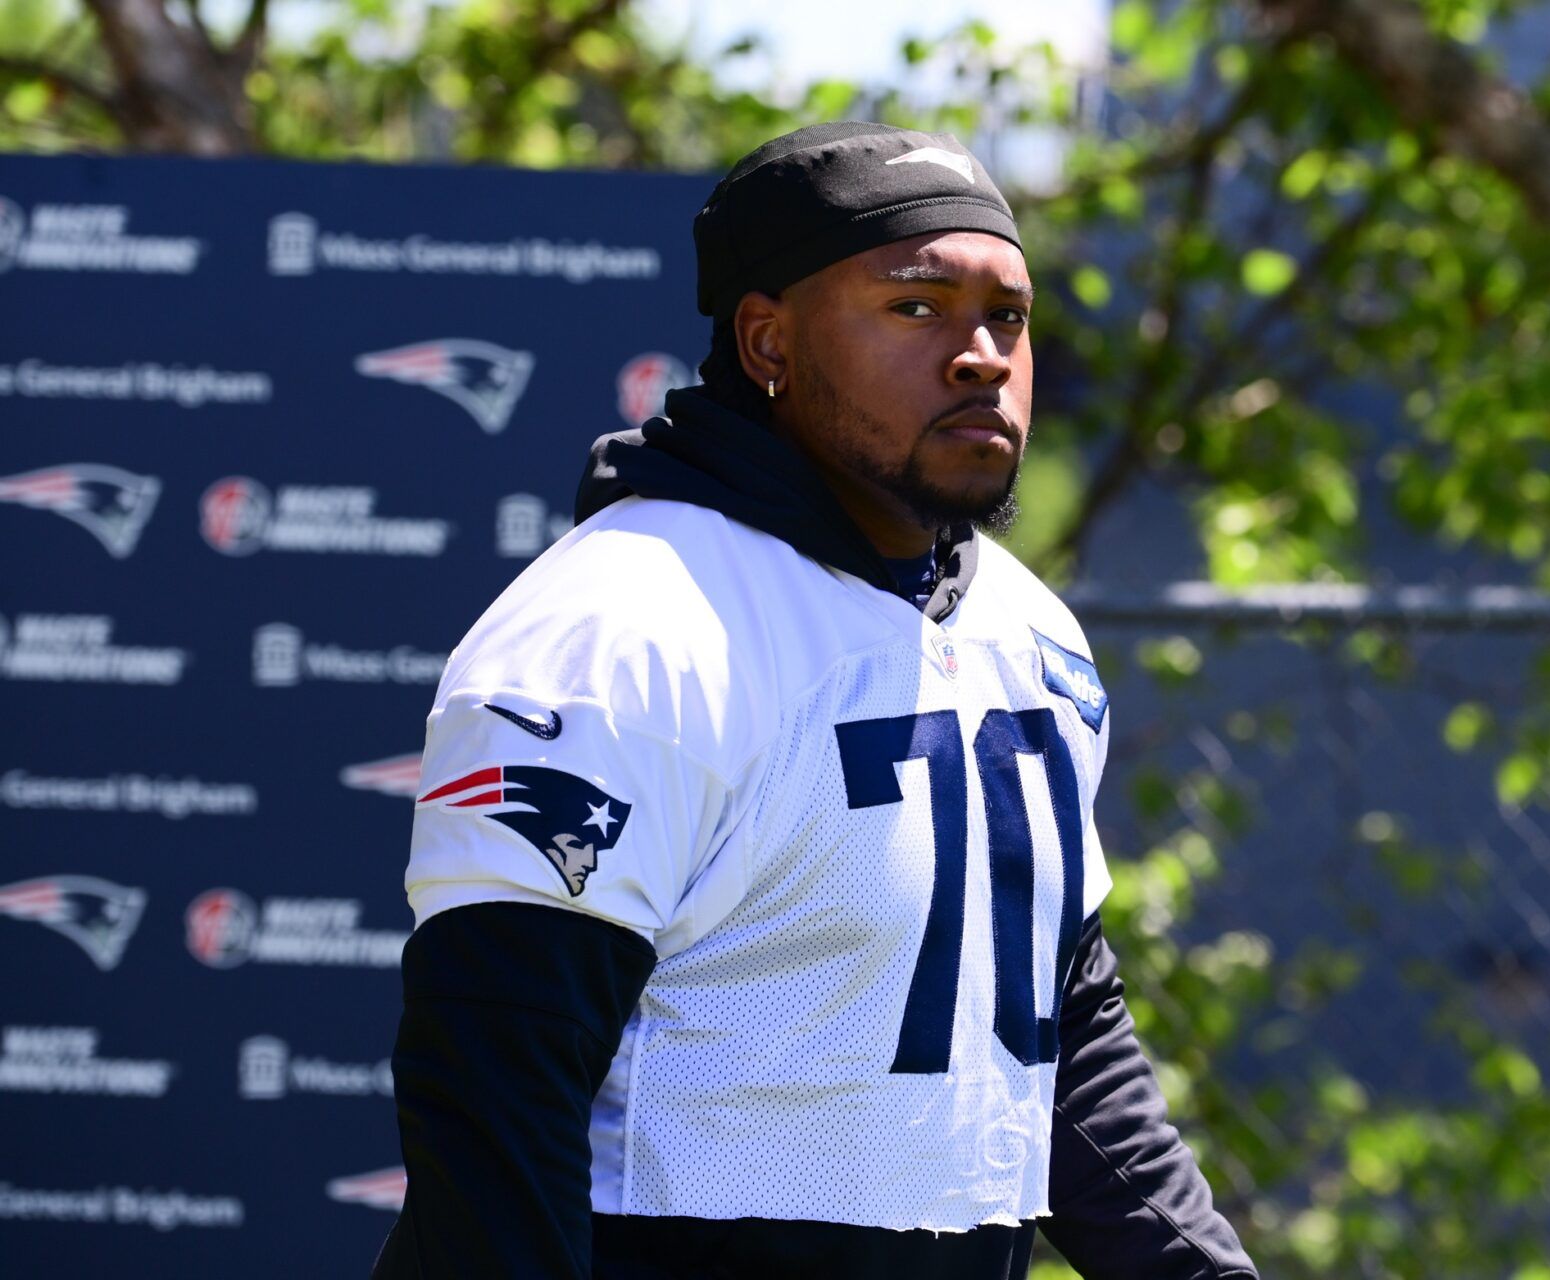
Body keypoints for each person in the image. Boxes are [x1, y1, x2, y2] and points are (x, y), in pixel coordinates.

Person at [373, 121, 1258, 1280]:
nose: (981, 354)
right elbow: (496, 1095)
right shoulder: (623, 623)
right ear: (767, 339)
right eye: (916, 306)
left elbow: (1066, 1050)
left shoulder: (1031, 632)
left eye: (1008, 316)